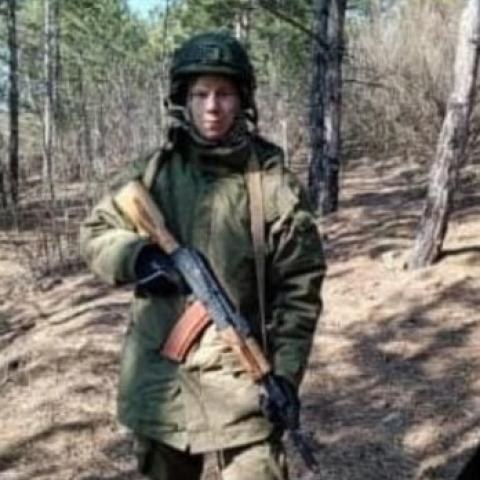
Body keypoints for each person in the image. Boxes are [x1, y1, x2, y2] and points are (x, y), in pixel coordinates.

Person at [80, 31, 325, 480]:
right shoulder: (151, 174)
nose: (212, 106)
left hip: (244, 386)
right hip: (160, 386)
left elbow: (300, 291)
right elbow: (95, 233)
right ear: (183, 99)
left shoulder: (275, 188)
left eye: (224, 93)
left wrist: (286, 377)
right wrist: (138, 257)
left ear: (243, 100)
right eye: (200, 94)